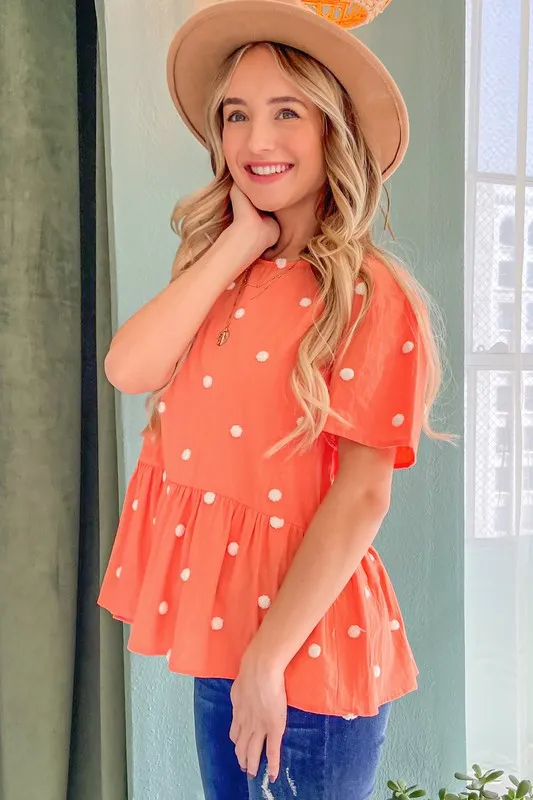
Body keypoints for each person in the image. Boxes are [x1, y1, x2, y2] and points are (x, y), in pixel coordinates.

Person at [98, 1, 447, 797]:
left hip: (303, 651)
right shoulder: (222, 269)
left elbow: (362, 495)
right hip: (224, 641)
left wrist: (265, 660)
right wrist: (238, 242)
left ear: (331, 129)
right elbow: (128, 367)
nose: (257, 141)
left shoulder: (368, 291)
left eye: (287, 112)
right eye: (236, 115)